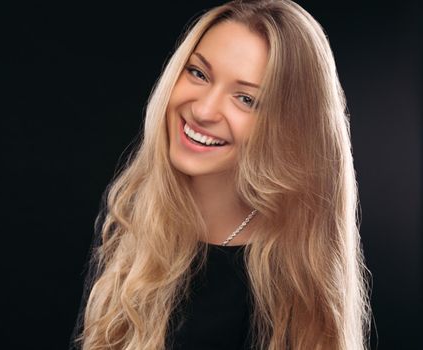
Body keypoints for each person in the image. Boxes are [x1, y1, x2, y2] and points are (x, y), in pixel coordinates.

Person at [70, 0, 372, 349]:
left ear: (290, 128)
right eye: (198, 73)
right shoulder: (128, 215)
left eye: (246, 99)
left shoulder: (289, 271)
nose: (203, 110)